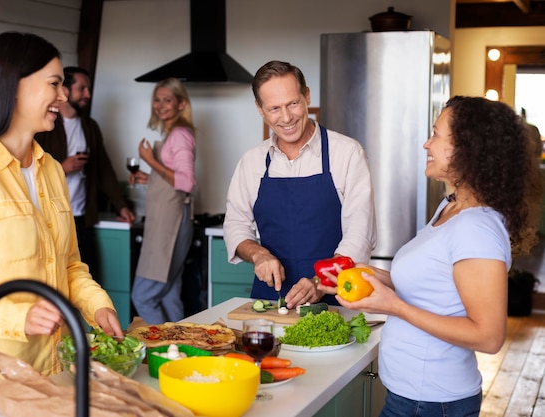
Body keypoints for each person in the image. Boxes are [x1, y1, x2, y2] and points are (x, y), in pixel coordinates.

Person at [0, 32, 124, 415]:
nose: (63, 96)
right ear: (14, 87)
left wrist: (97, 306)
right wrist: (19, 317)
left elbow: (69, 266)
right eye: (54, 84)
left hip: (54, 371)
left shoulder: (51, 171)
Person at [328, 96, 542, 416]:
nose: (427, 144)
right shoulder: (451, 207)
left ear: (469, 148)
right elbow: (431, 286)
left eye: (437, 134)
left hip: (431, 403)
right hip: (414, 397)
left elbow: (489, 336)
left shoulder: (477, 228)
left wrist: (394, 306)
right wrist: (365, 273)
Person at [223, 60, 376, 308]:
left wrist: (320, 282)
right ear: (260, 109)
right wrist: (259, 255)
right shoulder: (251, 161)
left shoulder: (347, 153)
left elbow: (359, 235)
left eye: (292, 103)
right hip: (269, 302)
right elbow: (235, 226)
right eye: (274, 108)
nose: (286, 117)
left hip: (335, 300)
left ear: (306, 96)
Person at [35, 66, 135, 276]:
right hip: (50, 218)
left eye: (88, 89)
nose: (88, 95)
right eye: (82, 89)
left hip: (81, 217)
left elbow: (103, 169)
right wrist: (63, 167)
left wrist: (121, 206)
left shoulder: (89, 127)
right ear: (65, 90)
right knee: (55, 279)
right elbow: (29, 169)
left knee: (87, 279)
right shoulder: (43, 125)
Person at [129, 78, 197, 324]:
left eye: (167, 100)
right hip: (167, 221)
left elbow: (186, 182)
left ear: (181, 104)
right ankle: (181, 352)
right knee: (168, 295)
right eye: (157, 99)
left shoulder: (180, 135)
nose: (160, 105)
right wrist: (149, 178)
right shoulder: (173, 133)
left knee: (143, 296)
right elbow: (172, 181)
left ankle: (164, 349)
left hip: (171, 224)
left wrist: (150, 160)